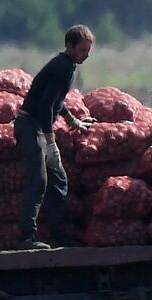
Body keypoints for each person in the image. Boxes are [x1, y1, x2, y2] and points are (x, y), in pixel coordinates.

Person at [14, 25, 96, 250]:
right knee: (38, 180)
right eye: (82, 50)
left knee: (59, 179)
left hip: (40, 126)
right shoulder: (62, 67)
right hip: (30, 125)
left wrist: (72, 120)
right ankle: (26, 238)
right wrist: (51, 144)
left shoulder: (69, 66)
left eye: (89, 50)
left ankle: (57, 235)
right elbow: (44, 107)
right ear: (69, 46)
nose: (86, 55)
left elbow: (56, 102)